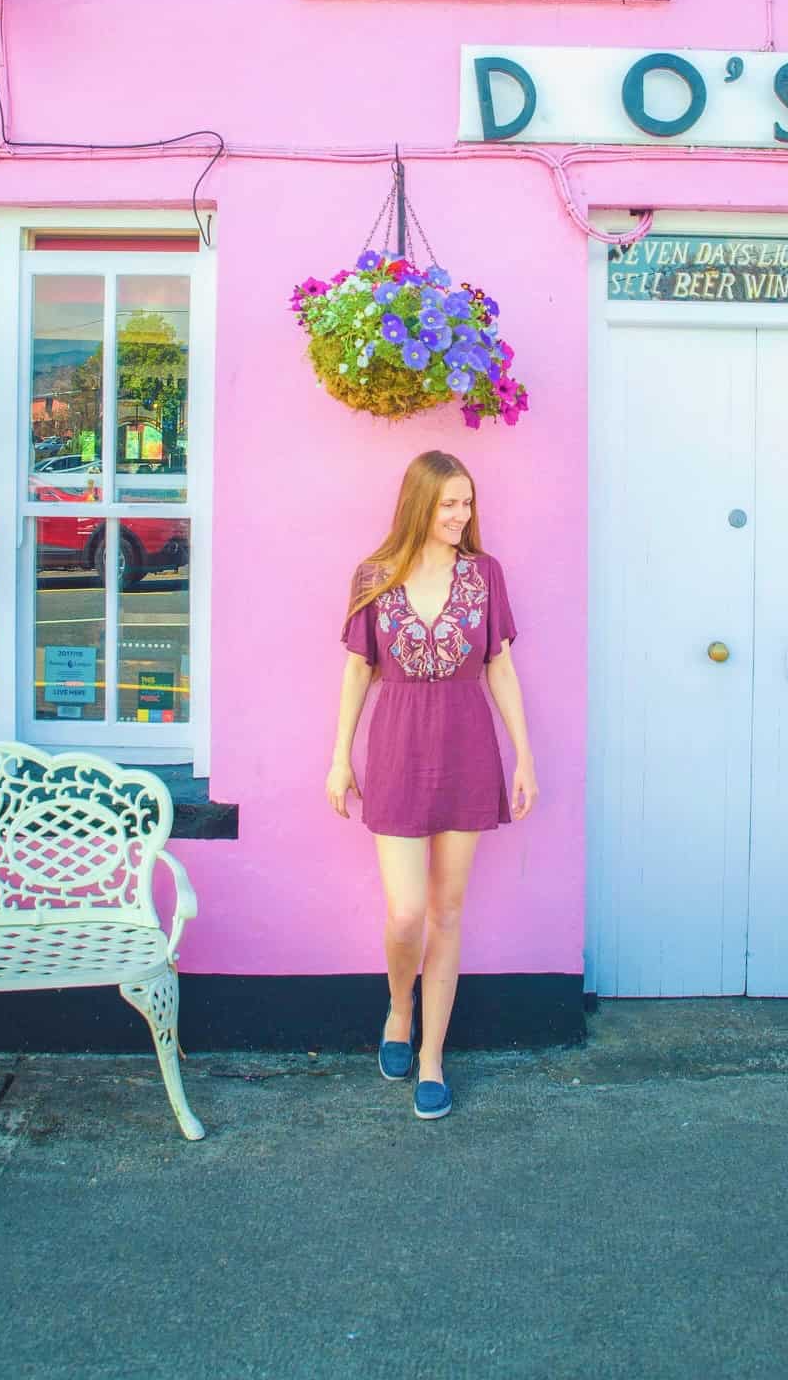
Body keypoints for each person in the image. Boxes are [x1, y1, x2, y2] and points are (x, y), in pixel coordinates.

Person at [326, 449, 539, 1119]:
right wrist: (340, 758)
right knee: (408, 913)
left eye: (467, 503)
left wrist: (524, 758)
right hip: (395, 750)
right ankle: (398, 1006)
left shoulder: (485, 575)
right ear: (420, 503)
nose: (462, 515)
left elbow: (499, 668)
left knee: (448, 914)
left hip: (468, 750)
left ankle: (432, 1058)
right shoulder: (375, 576)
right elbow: (358, 671)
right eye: (450, 503)